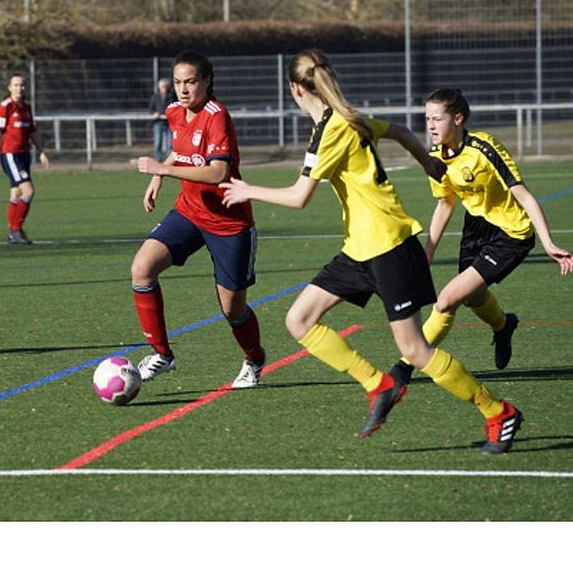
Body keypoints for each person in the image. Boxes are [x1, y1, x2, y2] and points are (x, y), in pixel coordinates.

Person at [220, 49, 523, 454]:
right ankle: (377, 384)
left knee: (415, 351)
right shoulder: (346, 119)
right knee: (299, 319)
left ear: (295, 89)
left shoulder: (332, 130)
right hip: (361, 248)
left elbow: (299, 198)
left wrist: (247, 190)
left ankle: (498, 411)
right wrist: (428, 164)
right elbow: (398, 130)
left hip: (390, 247)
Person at [389, 89, 572, 383]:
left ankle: (404, 367)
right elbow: (445, 203)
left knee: (446, 300)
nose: (430, 126)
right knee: (473, 298)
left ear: (458, 119)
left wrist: (548, 242)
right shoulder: (434, 158)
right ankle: (503, 326)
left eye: (437, 118)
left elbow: (522, 194)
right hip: (476, 228)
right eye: (427, 119)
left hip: (511, 233)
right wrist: (428, 252)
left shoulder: (484, 148)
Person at [132, 50, 266, 390]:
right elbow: (180, 149)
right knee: (142, 268)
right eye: (178, 82)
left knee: (232, 309)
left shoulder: (217, 115)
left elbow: (218, 171)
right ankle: (162, 354)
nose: (183, 89)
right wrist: (159, 177)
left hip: (228, 223)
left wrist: (163, 169)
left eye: (191, 81)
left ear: (207, 80)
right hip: (189, 212)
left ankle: (254, 359)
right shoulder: (174, 111)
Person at [0, 74, 49, 244]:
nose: (19, 88)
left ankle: (12, 233)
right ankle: (16, 230)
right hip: (10, 154)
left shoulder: (26, 108)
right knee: (29, 191)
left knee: (16, 194)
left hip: (24, 155)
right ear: (9, 87)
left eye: (22, 85)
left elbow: (32, 132)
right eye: (15, 85)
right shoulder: (5, 106)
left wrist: (41, 151)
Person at [148, 77, 176, 161]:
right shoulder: (155, 96)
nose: (163, 88)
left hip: (169, 122)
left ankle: (168, 161)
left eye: (165, 86)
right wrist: (154, 113)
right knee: (157, 142)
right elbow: (151, 109)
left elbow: (175, 107)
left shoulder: (172, 96)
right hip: (158, 122)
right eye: (161, 86)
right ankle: (158, 160)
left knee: (169, 144)